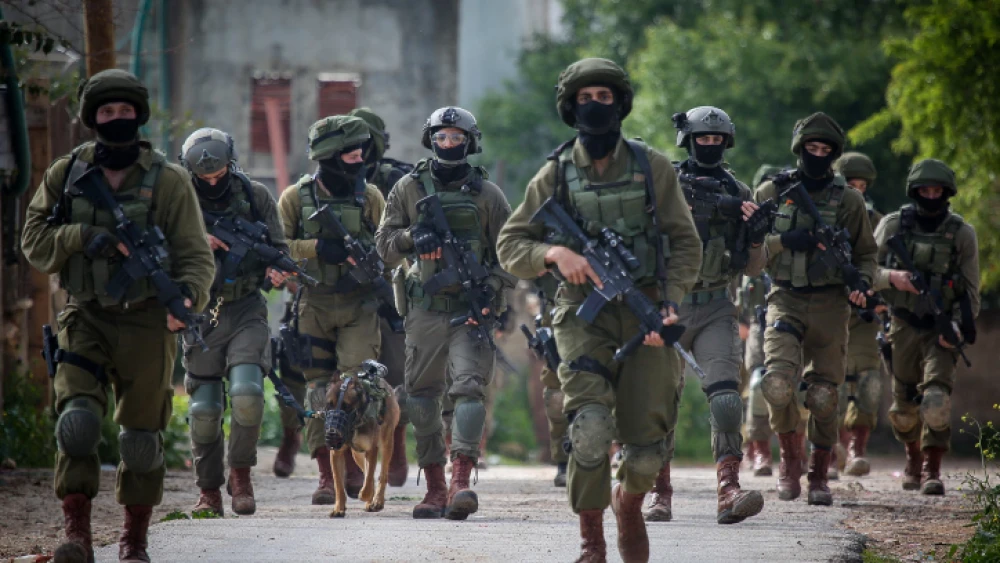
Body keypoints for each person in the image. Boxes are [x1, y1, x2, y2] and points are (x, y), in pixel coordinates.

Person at [496, 58, 702, 562]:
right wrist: (554, 254)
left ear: (620, 104)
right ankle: (591, 539)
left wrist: (670, 304)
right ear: (571, 106)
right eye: (585, 98)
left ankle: (627, 505)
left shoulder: (652, 167)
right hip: (579, 318)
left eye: (604, 97)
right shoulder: (556, 174)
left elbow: (685, 242)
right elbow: (509, 243)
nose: (594, 106)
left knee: (648, 450)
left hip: (645, 309)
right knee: (588, 431)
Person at [20, 69, 215, 561]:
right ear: (92, 118)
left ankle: (133, 540)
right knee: (77, 425)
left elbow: (195, 254)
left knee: (140, 441)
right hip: (84, 316)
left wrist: (187, 299)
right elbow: (33, 242)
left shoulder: (167, 180)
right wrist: (81, 237)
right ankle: (76, 534)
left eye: (125, 111)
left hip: (149, 320)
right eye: (107, 112)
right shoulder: (67, 174)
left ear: (138, 116)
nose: (117, 119)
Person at [375, 106, 515, 521]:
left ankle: (460, 480)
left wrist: (491, 291)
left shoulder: (489, 196)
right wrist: (411, 236)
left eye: (457, 137)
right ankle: (433, 484)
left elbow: (510, 252)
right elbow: (383, 245)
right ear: (430, 139)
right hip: (424, 310)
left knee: (469, 392)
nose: (449, 144)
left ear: (469, 142)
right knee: (420, 399)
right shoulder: (406, 188)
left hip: (472, 312)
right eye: (442, 136)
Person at [646, 106, 769, 525]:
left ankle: (728, 488)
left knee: (727, 399)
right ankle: (659, 491)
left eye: (718, 140)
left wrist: (755, 236)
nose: (710, 145)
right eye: (704, 139)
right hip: (670, 304)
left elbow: (754, 268)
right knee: (659, 399)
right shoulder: (666, 186)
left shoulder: (741, 191)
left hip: (718, 304)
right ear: (689, 141)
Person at [753, 112, 877, 507]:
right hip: (785, 298)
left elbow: (867, 256)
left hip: (830, 304)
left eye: (826, 150)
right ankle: (789, 460)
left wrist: (863, 283)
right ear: (799, 149)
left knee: (824, 395)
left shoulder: (850, 200)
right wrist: (783, 241)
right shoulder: (772, 192)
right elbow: (750, 257)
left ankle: (819, 473)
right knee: (775, 383)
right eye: (812, 148)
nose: (818, 155)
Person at [179, 128, 290, 516]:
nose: (213, 182)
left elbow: (279, 250)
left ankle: (240, 473)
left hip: (245, 308)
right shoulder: (180, 199)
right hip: (201, 312)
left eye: (220, 173)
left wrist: (277, 273)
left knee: (247, 394)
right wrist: (199, 240)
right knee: (205, 409)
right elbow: (157, 247)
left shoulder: (256, 197)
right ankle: (208, 490)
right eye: (204, 177)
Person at [276, 115, 385, 505]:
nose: (358, 160)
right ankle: (327, 473)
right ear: (329, 156)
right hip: (314, 304)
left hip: (359, 304)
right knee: (318, 391)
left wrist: (374, 266)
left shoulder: (371, 197)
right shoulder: (294, 197)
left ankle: (358, 462)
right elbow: (278, 244)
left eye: (362, 153)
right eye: (350, 153)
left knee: (359, 387)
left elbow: (387, 243)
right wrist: (318, 248)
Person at [872, 159, 979, 495]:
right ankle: (912, 459)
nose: (931, 196)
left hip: (941, 328)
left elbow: (971, 289)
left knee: (935, 397)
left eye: (937, 191)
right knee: (903, 406)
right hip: (902, 324)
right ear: (914, 192)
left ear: (947, 193)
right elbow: (866, 272)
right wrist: (894, 279)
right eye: (925, 190)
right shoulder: (892, 227)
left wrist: (960, 327)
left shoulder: (961, 233)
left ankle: (932, 468)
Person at [347, 106, 412, 486]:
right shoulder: (324, 184)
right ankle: (349, 460)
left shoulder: (397, 179)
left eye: (362, 144)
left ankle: (396, 447)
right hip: (343, 291)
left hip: (389, 290)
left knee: (395, 372)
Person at [832, 151, 885, 477]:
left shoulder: (879, 222)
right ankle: (832, 448)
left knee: (868, 384)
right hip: (829, 310)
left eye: (862, 185)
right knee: (828, 385)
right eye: (852, 183)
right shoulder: (821, 215)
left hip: (865, 315)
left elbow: (887, 265)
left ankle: (856, 451)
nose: (858, 190)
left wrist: (880, 296)